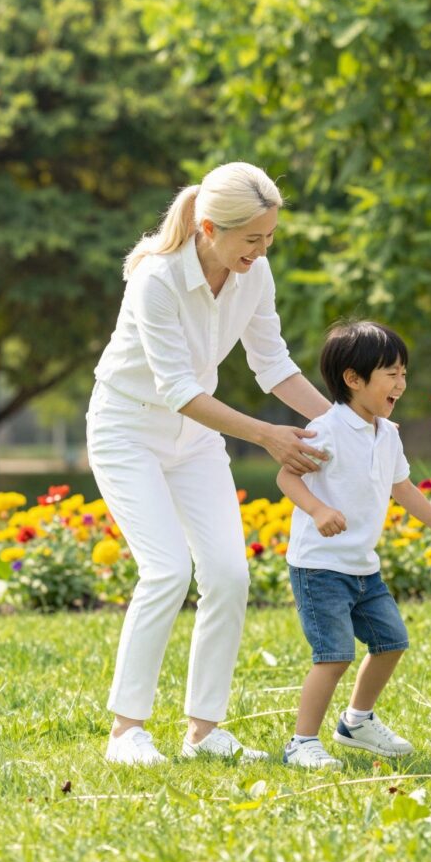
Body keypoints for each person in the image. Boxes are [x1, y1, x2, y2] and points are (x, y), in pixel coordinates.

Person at [89, 162, 333, 766]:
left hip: (194, 439)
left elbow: (272, 364)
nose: (261, 249)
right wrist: (267, 437)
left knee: (228, 573)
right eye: (251, 238)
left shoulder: (255, 275)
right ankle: (127, 732)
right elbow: (176, 388)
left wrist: (345, 426)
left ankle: (202, 731)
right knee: (167, 570)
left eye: (269, 237)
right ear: (207, 228)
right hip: (128, 429)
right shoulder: (157, 279)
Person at [278, 320, 431, 769]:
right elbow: (287, 476)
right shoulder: (325, 429)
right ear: (353, 378)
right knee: (333, 657)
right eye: (391, 373)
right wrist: (318, 510)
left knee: (391, 641)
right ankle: (301, 742)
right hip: (320, 566)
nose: (401, 383)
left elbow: (402, 487)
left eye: (404, 373)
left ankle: (357, 721)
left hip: (363, 566)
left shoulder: (387, 433)